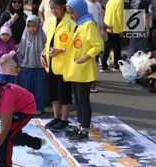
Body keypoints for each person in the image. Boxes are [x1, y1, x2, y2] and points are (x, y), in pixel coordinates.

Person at [65, 0, 104, 140]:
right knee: (77, 101)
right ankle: (79, 126)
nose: (70, 15)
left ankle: (84, 130)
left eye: (72, 12)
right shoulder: (78, 24)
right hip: (75, 69)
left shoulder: (89, 25)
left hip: (84, 69)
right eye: (68, 13)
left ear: (80, 10)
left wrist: (85, 57)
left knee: (83, 101)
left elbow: (98, 45)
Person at [41, 0, 74, 132]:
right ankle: (56, 118)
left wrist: (60, 50)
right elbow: (48, 42)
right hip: (51, 64)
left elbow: (74, 44)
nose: (53, 11)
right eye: (51, 8)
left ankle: (64, 120)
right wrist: (42, 55)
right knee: (53, 94)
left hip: (64, 64)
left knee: (64, 95)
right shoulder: (51, 21)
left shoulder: (71, 22)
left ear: (63, 7)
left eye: (56, 8)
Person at [18, 15, 47, 116]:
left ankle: (39, 107)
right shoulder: (25, 34)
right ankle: (25, 107)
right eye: (29, 26)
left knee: (39, 87)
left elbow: (46, 49)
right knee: (25, 87)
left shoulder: (42, 35)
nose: (31, 28)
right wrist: (19, 63)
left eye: (34, 26)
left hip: (39, 66)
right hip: (26, 65)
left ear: (38, 25)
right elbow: (21, 49)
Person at [100, 0, 123, 72]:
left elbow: (106, 14)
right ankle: (117, 65)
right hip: (115, 28)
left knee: (107, 47)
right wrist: (121, 29)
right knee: (117, 48)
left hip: (108, 27)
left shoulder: (109, 1)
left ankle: (104, 65)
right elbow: (120, 15)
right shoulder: (120, 1)